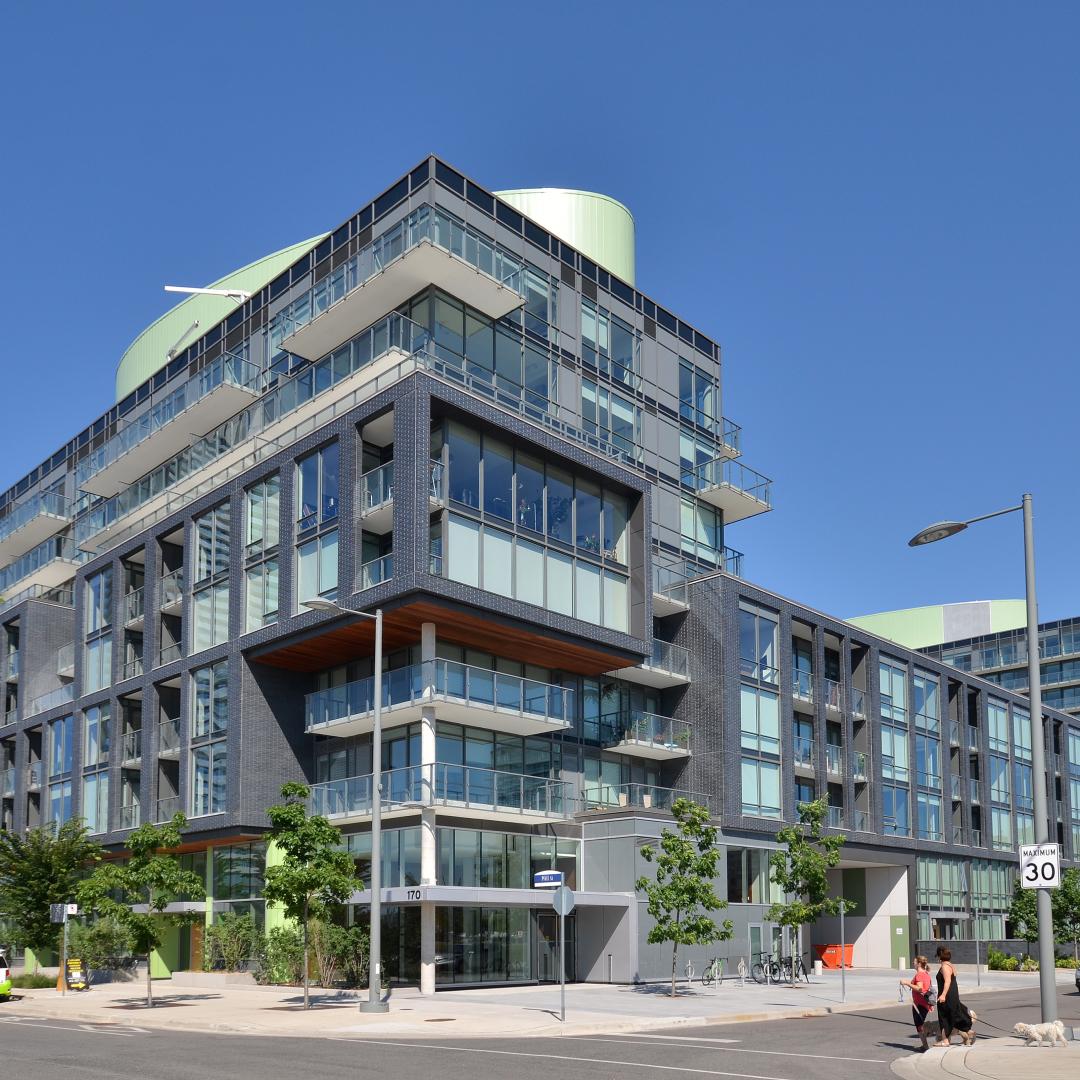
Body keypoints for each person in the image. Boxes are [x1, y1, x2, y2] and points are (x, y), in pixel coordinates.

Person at [934, 945, 973, 1046]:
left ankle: (945, 1040)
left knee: (944, 1016)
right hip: (952, 994)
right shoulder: (950, 965)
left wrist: (942, 995)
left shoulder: (945, 967)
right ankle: (969, 1032)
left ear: (939, 956)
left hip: (947, 995)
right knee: (955, 1015)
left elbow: (947, 981)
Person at [900, 956, 934, 1051]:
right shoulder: (926, 974)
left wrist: (907, 983)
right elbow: (928, 989)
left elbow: (920, 988)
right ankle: (925, 1044)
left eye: (914, 962)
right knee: (920, 1025)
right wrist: (930, 1004)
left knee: (919, 1025)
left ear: (919, 964)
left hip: (919, 1004)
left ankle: (925, 1045)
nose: (913, 963)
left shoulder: (919, 975)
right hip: (924, 1003)